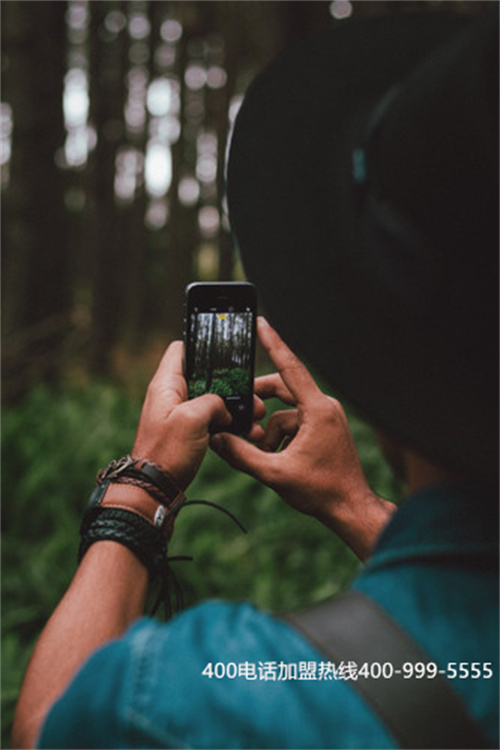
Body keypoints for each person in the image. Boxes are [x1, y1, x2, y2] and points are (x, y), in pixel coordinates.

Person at [12, 7, 498, 749]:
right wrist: (352, 502)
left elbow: (49, 727)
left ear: (378, 355)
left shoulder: (216, 701)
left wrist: (138, 489)